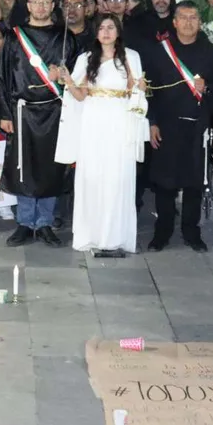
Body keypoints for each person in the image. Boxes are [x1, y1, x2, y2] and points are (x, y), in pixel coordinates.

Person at [140, 2, 213, 252]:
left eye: (193, 17)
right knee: (164, 183)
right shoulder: (160, 52)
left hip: (198, 127)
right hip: (166, 125)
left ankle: (192, 232)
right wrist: (152, 122)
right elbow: (149, 91)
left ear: (199, 22)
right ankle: (162, 232)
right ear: (175, 22)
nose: (189, 22)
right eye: (184, 17)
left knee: (194, 183)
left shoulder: (211, 52)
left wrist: (208, 87)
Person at [54, 15, 148, 256]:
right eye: (102, 28)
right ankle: (92, 235)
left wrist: (141, 89)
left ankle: (115, 237)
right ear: (96, 32)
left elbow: (135, 91)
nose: (106, 32)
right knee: (93, 177)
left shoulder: (131, 57)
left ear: (118, 31)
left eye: (111, 27)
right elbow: (80, 95)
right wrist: (67, 80)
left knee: (118, 178)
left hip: (120, 121)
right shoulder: (87, 58)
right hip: (93, 122)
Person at [0, 0, 76, 247]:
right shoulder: (14, 37)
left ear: (54, 6)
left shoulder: (65, 38)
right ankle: (25, 223)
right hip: (22, 112)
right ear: (28, 6)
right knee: (24, 168)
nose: (41, 7)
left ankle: (44, 223)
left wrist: (63, 76)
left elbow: (78, 77)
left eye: (46, 2)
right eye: (36, 2)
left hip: (54, 111)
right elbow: (2, 76)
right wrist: (4, 113)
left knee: (51, 168)